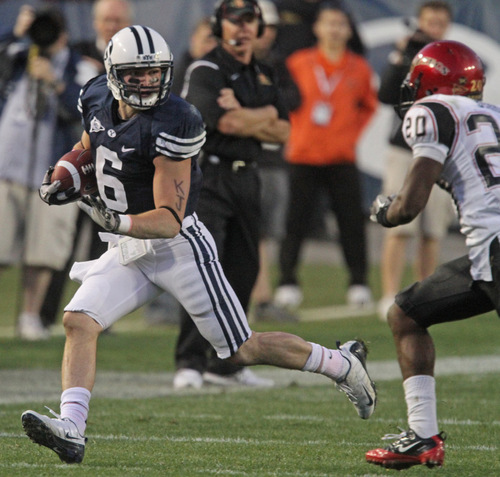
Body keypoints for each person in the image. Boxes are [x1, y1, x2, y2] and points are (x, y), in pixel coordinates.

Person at [20, 24, 377, 465]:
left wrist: (116, 219)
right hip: (128, 247)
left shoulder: (177, 119)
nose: (148, 82)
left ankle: (341, 364)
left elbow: (169, 220)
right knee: (78, 321)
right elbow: (89, 146)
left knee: (241, 348)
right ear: (113, 74)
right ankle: (72, 429)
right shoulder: (95, 95)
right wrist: (65, 174)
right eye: (137, 74)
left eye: (155, 73)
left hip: (178, 249)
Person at [366, 40, 491, 470]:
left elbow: (411, 204)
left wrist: (386, 212)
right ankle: (422, 436)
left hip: (495, 249)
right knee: (407, 313)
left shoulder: (432, 112)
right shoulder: (493, 116)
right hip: (486, 257)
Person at [172, 0, 292, 390]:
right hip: (211, 177)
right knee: (204, 269)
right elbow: (223, 121)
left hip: (248, 178)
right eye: (233, 20)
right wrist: (259, 118)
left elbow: (284, 131)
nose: (242, 28)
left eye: (249, 20)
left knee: (245, 268)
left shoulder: (263, 70)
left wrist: (246, 114)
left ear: (259, 27)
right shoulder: (205, 68)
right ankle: (189, 361)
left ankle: (227, 363)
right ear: (218, 26)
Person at [0, 5, 98, 340]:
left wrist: (55, 82)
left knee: (42, 251)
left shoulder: (79, 67)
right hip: (6, 170)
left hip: (51, 175)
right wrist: (16, 33)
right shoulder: (16, 56)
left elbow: (88, 110)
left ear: (65, 34)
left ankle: (30, 315)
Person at [273, 2, 377, 311]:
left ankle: (358, 283)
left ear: (348, 30)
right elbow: (284, 102)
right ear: (316, 28)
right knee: (294, 224)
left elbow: (368, 106)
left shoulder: (358, 67)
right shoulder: (298, 63)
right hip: (302, 154)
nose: (333, 29)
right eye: (328, 23)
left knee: (351, 223)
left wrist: (348, 133)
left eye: (339, 24)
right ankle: (287, 282)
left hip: (341, 157)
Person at [40, 0, 134, 329]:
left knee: (105, 245)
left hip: (117, 169)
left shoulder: (137, 60)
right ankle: (45, 315)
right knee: (61, 246)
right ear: (95, 22)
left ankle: (97, 316)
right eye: (107, 18)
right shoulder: (77, 53)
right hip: (78, 158)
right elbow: (69, 100)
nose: (112, 24)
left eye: (118, 19)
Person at [377, 1, 454, 321]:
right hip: (406, 148)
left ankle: (426, 294)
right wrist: (403, 57)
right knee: (397, 224)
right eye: (429, 22)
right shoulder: (410, 56)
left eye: (439, 23)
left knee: (432, 230)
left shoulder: (454, 58)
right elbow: (385, 94)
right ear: (420, 23)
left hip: (442, 150)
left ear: (447, 26)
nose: (434, 28)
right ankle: (388, 295)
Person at [144, 16, 217, 326]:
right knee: (164, 229)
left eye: (215, 39)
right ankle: (159, 303)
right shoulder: (171, 79)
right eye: (205, 38)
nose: (210, 45)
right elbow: (215, 119)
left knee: (189, 237)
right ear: (192, 40)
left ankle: (197, 307)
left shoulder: (220, 73)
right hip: (163, 168)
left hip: (202, 170)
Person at [250, 0, 298, 323]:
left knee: (265, 232)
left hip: (271, 159)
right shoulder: (224, 64)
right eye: (261, 27)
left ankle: (261, 296)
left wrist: (256, 111)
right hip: (238, 160)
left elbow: (295, 99)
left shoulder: (278, 65)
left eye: (270, 28)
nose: (266, 35)